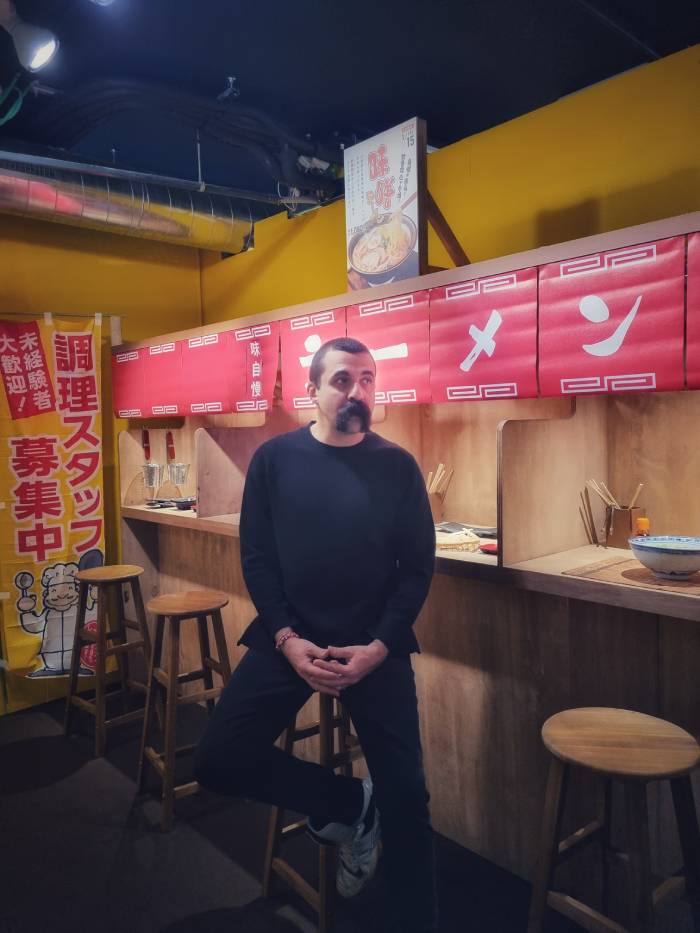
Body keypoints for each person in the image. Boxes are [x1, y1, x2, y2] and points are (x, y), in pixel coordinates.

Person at [194, 336, 437, 933]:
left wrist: (379, 646)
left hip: (372, 647)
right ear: (312, 390)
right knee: (219, 759)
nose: (358, 391)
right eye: (343, 380)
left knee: (408, 795)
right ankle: (350, 805)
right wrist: (285, 637)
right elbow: (258, 558)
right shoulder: (274, 460)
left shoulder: (398, 466)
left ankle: (415, 918)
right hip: (292, 639)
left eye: (368, 379)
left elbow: (417, 569)